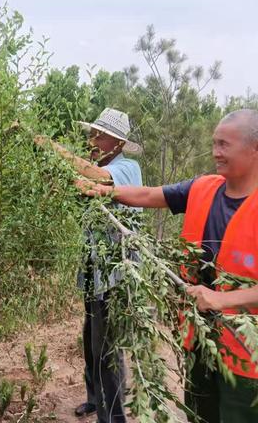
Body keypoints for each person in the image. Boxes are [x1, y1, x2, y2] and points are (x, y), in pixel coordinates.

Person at [75, 108, 258, 423]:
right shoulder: (204, 187)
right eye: (214, 143)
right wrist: (104, 191)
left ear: (254, 149)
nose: (215, 152)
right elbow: (148, 194)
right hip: (200, 343)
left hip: (247, 361)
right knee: (200, 414)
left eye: (224, 145)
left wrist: (222, 300)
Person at [36, 108, 143, 423]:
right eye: (92, 134)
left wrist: (51, 147)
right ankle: (95, 398)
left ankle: (113, 416)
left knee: (106, 346)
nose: (92, 140)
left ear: (119, 143)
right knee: (90, 336)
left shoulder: (127, 167)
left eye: (99, 135)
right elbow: (78, 187)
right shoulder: (97, 166)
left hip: (115, 271)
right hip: (94, 267)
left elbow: (94, 178)